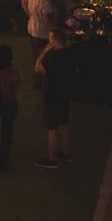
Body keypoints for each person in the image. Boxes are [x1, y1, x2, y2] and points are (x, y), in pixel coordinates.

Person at [34, 29, 76, 168]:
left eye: (51, 38)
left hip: (52, 95)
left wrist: (44, 52)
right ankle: (67, 153)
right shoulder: (70, 54)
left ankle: (52, 160)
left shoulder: (52, 57)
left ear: (55, 40)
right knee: (64, 123)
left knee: (52, 127)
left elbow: (38, 68)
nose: (49, 40)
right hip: (65, 94)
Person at [22, 0, 57, 86]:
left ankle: (37, 80)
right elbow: (49, 20)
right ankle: (43, 81)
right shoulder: (46, 3)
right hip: (43, 34)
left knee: (36, 55)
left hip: (32, 30)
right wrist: (55, 28)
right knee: (44, 57)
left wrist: (30, 15)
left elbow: (23, 1)